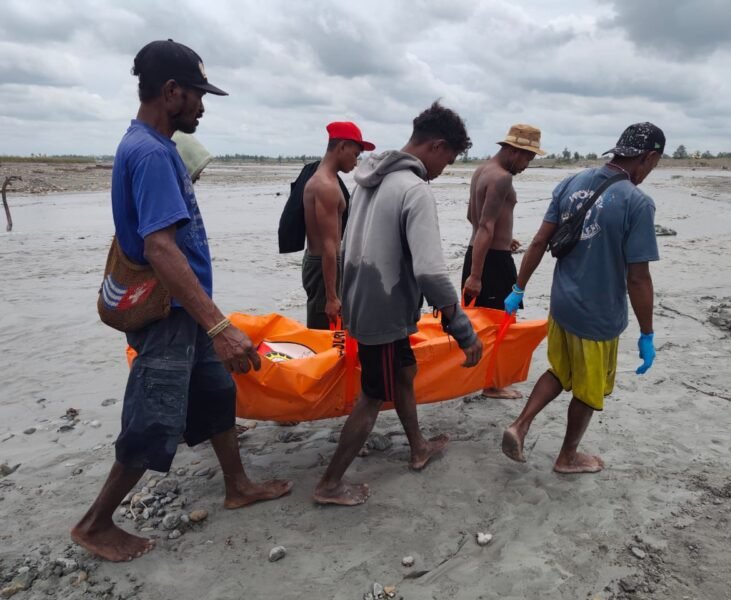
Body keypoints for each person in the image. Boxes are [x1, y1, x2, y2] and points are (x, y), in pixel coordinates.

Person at [71, 40, 292, 562]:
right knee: (153, 417)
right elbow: (160, 247)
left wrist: (208, 323)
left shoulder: (157, 147)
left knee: (216, 394)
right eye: (196, 94)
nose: (202, 105)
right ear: (170, 92)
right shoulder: (148, 153)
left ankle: (237, 485)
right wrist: (220, 327)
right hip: (168, 316)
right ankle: (95, 524)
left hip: (183, 313)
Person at [313, 101, 484, 506]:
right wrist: (462, 330)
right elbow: (430, 272)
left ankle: (418, 446)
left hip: (362, 297)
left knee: (403, 369)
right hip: (383, 309)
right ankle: (330, 484)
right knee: (373, 394)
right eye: (451, 159)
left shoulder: (368, 179)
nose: (445, 169)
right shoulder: (414, 189)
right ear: (438, 147)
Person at [502, 122, 665, 474]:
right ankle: (567, 457)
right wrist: (647, 332)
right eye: (654, 164)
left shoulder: (572, 182)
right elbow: (638, 278)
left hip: (562, 306)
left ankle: (520, 425)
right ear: (649, 157)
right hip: (598, 317)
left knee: (560, 370)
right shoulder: (637, 204)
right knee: (589, 389)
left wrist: (519, 288)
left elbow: (538, 241)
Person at [462, 124, 546, 399]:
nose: (526, 165)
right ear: (512, 150)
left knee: (482, 320)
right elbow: (486, 225)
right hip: (491, 261)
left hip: (477, 252)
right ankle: (492, 384)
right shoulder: (501, 178)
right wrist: (477, 275)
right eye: (527, 158)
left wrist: (503, 238)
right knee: (501, 322)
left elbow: (472, 218)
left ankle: (484, 377)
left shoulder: (481, 171)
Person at [303, 122, 375, 329]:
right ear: (341, 147)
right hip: (323, 266)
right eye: (355, 154)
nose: (356, 162)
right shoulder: (326, 186)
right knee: (325, 330)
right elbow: (329, 244)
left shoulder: (327, 180)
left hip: (324, 264)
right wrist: (332, 297)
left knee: (333, 329)